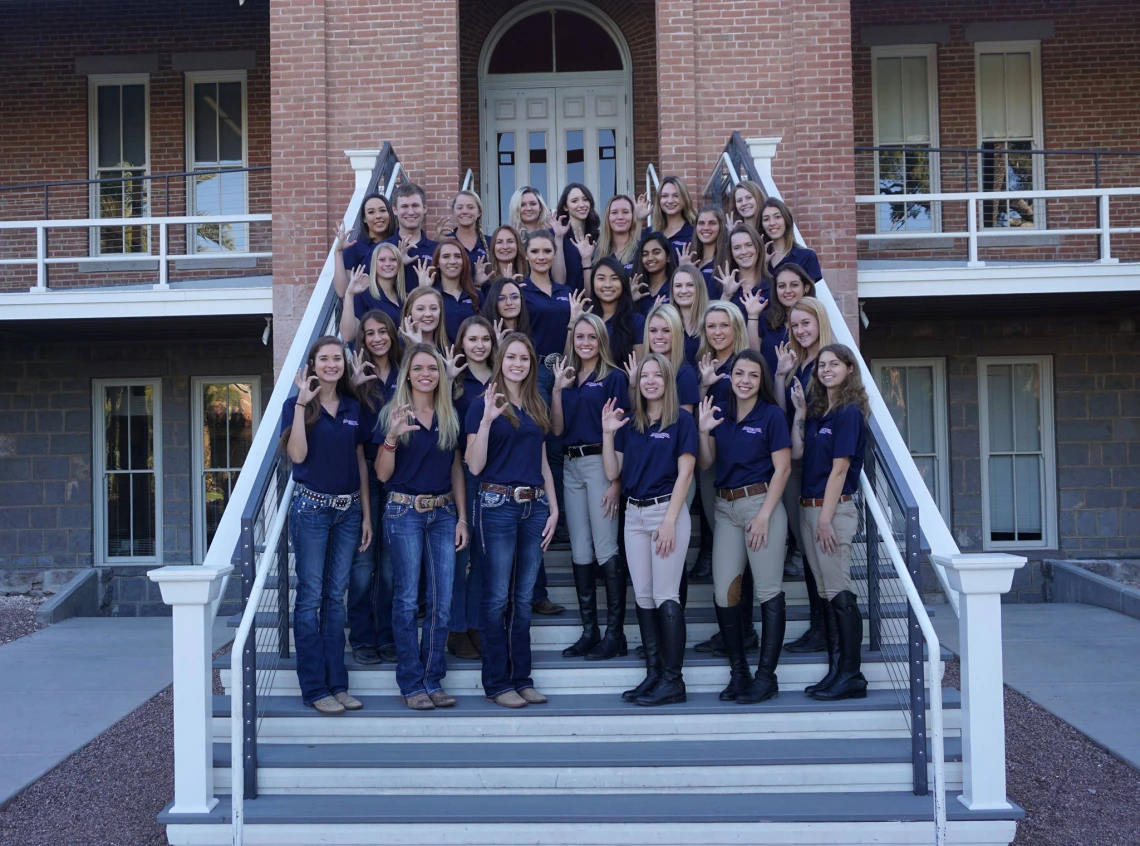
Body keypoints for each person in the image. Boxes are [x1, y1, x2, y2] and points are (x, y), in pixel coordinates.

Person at [465, 333, 559, 708]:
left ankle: (522, 678)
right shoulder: (481, 404)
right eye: (511, 357)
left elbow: (542, 462)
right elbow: (473, 465)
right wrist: (488, 421)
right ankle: (497, 682)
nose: (517, 364)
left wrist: (553, 507)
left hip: (534, 506)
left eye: (524, 358)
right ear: (500, 359)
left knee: (522, 599)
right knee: (497, 597)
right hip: (497, 504)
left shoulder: (536, 403)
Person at [375, 344, 468, 710]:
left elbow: (456, 468)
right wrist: (393, 436)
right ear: (407, 374)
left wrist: (462, 516)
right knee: (407, 601)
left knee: (442, 603)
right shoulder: (392, 413)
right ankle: (412, 683)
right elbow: (382, 475)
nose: (426, 373)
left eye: (433, 368)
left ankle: (433, 679)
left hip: (443, 513)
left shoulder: (449, 415)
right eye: (418, 368)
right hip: (404, 513)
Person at [281, 336, 371, 715]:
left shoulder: (353, 406)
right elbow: (297, 455)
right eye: (325, 359)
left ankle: (337, 684)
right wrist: (303, 402)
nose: (332, 364)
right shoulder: (296, 405)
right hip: (312, 511)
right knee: (311, 598)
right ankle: (315, 688)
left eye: (338, 358)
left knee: (337, 599)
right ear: (312, 365)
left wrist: (367, 513)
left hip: (349, 511)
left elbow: (361, 463)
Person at [697, 350, 792, 704]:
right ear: (731, 376)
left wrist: (765, 515)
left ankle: (766, 677)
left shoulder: (771, 415)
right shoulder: (721, 410)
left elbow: (782, 470)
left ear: (761, 379)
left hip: (760, 504)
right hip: (725, 507)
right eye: (739, 373)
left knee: (768, 591)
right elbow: (706, 462)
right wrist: (704, 431)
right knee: (724, 593)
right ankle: (739, 673)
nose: (745, 380)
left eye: (753, 375)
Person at [602, 354, 696, 706]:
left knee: (665, 595)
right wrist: (607, 434)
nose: (651, 381)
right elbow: (614, 473)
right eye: (645, 376)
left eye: (658, 375)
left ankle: (673, 681)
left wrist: (670, 520)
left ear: (668, 381)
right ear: (638, 382)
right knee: (642, 596)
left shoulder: (681, 421)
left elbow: (686, 473)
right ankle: (654, 674)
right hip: (634, 516)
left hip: (664, 512)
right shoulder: (630, 423)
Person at [789, 343, 868, 702]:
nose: (826, 370)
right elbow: (797, 452)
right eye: (821, 365)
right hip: (811, 509)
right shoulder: (822, 412)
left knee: (839, 592)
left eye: (834, 364)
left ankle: (852, 674)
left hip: (832, 512)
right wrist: (801, 413)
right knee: (826, 593)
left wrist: (824, 519)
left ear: (849, 369)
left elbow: (840, 469)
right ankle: (836, 670)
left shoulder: (849, 413)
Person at [551, 313, 629, 661]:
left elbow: (623, 432)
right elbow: (556, 430)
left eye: (591, 337)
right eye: (579, 337)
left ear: (601, 340)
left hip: (601, 463)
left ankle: (615, 635)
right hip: (571, 464)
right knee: (580, 549)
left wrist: (616, 481)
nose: (585, 343)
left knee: (605, 546)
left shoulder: (614, 378)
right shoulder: (567, 378)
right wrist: (556, 391)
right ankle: (589, 631)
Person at [694, 303, 759, 652]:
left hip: (743, 467)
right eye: (711, 326)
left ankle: (744, 629)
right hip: (712, 463)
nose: (717, 332)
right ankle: (732, 628)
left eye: (724, 325)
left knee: (742, 555)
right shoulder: (705, 366)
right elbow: (698, 414)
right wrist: (704, 386)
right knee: (724, 549)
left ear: (736, 326)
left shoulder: (745, 365)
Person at [775, 296, 836, 655]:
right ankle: (818, 624)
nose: (800, 330)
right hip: (797, 462)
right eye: (795, 325)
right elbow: (790, 414)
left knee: (818, 552)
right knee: (808, 546)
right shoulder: (798, 362)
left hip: (820, 466)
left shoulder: (829, 361)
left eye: (805, 323)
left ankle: (825, 628)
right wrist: (782, 374)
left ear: (819, 322)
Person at [520, 230, 575, 601]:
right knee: (541, 448)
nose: (541, 256)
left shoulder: (564, 292)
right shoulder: (519, 291)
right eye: (535, 251)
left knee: (563, 444)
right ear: (526, 253)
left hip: (565, 370)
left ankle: (565, 517)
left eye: (547, 251)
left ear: (554, 254)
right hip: (534, 373)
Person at [345, 311, 402, 666]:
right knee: (364, 562)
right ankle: (362, 636)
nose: (378, 338)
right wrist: (353, 382)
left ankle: (387, 635)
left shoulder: (404, 371)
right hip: (365, 471)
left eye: (383, 331)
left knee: (391, 563)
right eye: (370, 333)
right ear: (362, 339)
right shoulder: (357, 376)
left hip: (399, 471)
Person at [447, 315, 497, 661]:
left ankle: (477, 624)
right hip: (461, 472)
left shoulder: (503, 378)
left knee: (484, 556)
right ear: (461, 343)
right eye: (472, 339)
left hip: (498, 473)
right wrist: (448, 382)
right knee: (458, 553)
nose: (479, 345)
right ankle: (456, 627)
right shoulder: (455, 381)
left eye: (485, 339)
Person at [413, 238, 479, 342]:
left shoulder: (476, 295)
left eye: (457, 256)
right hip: (440, 356)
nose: (452, 261)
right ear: (438, 263)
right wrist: (423, 289)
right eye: (446, 256)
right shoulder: (432, 296)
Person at [339, 241, 406, 340]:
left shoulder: (404, 298)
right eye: (382, 260)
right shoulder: (364, 295)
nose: (388, 264)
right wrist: (349, 294)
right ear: (374, 264)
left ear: (399, 264)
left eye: (393, 259)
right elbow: (347, 336)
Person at [759, 264, 816, 379]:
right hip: (770, 389)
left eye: (794, 285)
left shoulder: (817, 317)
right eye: (781, 286)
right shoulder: (766, 318)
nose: (788, 291)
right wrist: (752, 316)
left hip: (804, 388)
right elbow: (755, 355)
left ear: (806, 287)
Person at [333, 193, 394, 293]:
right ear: (364, 218)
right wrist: (338, 251)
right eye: (371, 212)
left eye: (382, 210)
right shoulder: (355, 246)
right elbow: (342, 291)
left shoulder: (399, 242)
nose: (378, 216)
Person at [591, 256, 644, 368]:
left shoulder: (636, 321)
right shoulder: (587, 320)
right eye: (601, 278)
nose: (608, 285)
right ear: (593, 283)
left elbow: (639, 367)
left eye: (614, 278)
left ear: (623, 283)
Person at [552, 182, 600, 294]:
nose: (582, 205)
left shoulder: (598, 237)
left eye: (585, 199)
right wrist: (558, 238)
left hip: (593, 304)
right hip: (565, 303)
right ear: (565, 206)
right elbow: (559, 281)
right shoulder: (554, 235)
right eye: (574, 201)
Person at [760, 198, 822, 282]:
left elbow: (808, 293)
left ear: (786, 220)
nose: (772, 223)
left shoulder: (807, 257)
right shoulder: (758, 260)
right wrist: (761, 264)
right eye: (766, 219)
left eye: (777, 217)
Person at [388, 183, 438, 273]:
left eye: (415, 205)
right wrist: (397, 265)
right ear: (395, 210)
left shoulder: (437, 250)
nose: (410, 212)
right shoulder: (381, 248)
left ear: (424, 208)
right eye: (404, 206)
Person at [669, 264, 709, 371]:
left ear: (699, 287)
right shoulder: (666, 324)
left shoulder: (711, 322)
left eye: (690, 285)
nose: (683, 291)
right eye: (678, 286)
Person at [645, 176, 697, 256]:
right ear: (659, 200)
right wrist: (639, 220)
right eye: (665, 196)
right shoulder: (650, 232)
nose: (670, 201)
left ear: (684, 199)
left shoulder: (694, 231)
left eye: (676, 196)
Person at [439, 190, 489, 270]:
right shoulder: (445, 241)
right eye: (460, 208)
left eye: (470, 207)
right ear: (453, 211)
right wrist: (435, 243)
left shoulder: (490, 242)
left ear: (479, 212)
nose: (465, 211)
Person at [594, 194, 644, 272]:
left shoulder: (641, 251)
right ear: (608, 217)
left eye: (625, 212)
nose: (620, 217)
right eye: (614, 212)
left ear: (632, 217)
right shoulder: (597, 253)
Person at [632, 232, 678, 315]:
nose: (650, 258)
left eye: (656, 253)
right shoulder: (636, 288)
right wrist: (630, 300)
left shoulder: (676, 286)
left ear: (668, 257)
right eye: (645, 254)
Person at [692, 204, 730, 298]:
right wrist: (684, 269)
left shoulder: (727, 260)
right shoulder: (690, 260)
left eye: (712, 223)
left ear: (720, 226)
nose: (706, 228)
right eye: (701, 223)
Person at [481, 276, 532, 341]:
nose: (509, 303)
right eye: (501, 298)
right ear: (493, 302)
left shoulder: (531, 330)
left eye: (514, 297)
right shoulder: (485, 334)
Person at [478, 225, 528, 289]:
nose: (505, 247)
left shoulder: (529, 276)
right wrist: (478, 285)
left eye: (510, 241)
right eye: (499, 242)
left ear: (518, 245)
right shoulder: (485, 278)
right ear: (493, 247)